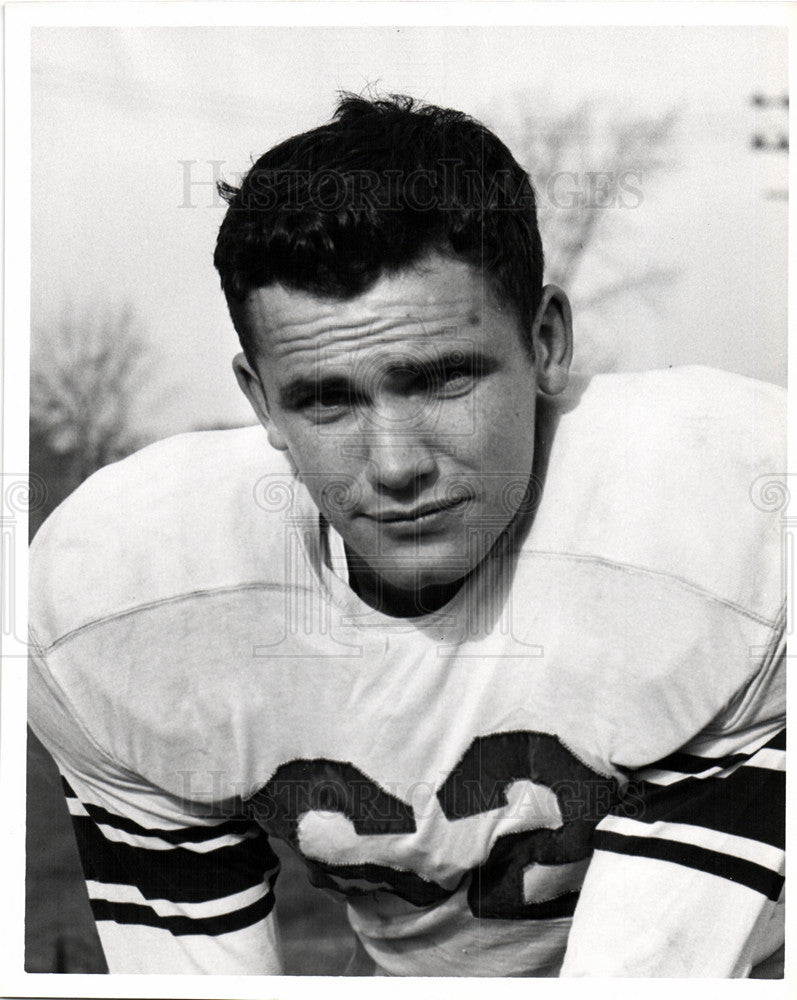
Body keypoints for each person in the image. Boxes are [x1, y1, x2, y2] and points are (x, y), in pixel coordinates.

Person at [28, 94, 785, 977]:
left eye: (439, 381)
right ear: (259, 400)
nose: (393, 466)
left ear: (544, 342)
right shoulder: (128, 597)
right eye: (327, 399)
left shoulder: (727, 525)